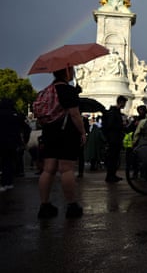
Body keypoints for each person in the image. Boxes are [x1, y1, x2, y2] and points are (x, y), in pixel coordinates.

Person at [37, 67, 87, 219]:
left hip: (49, 133)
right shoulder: (67, 90)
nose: (72, 73)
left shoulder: (46, 90)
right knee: (66, 169)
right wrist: (82, 132)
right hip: (66, 133)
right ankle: (71, 206)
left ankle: (44, 206)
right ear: (66, 73)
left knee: (48, 169)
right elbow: (75, 115)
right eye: (71, 70)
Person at [0, 98, 30, 191]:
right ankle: (8, 182)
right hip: (13, 142)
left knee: (3, 162)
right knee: (9, 162)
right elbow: (27, 128)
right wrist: (25, 140)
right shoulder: (17, 116)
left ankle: (5, 182)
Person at [102, 95, 128, 183]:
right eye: (124, 103)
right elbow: (110, 125)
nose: (125, 105)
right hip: (113, 139)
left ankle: (113, 175)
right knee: (112, 158)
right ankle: (110, 176)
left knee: (115, 158)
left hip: (116, 138)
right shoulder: (113, 112)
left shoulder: (116, 112)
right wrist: (121, 126)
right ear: (121, 102)